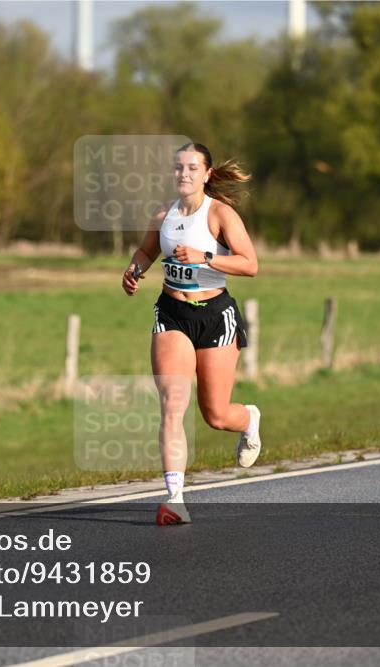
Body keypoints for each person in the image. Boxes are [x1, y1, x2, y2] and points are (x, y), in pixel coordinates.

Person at [121, 142, 261, 525]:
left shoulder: (219, 214)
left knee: (215, 414)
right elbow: (146, 252)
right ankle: (175, 498)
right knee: (172, 403)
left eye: (192, 168)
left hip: (215, 316)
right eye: (178, 168)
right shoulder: (163, 214)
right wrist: (134, 270)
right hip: (172, 314)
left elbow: (250, 265)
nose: (184, 174)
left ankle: (248, 419)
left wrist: (206, 258)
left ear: (207, 174)